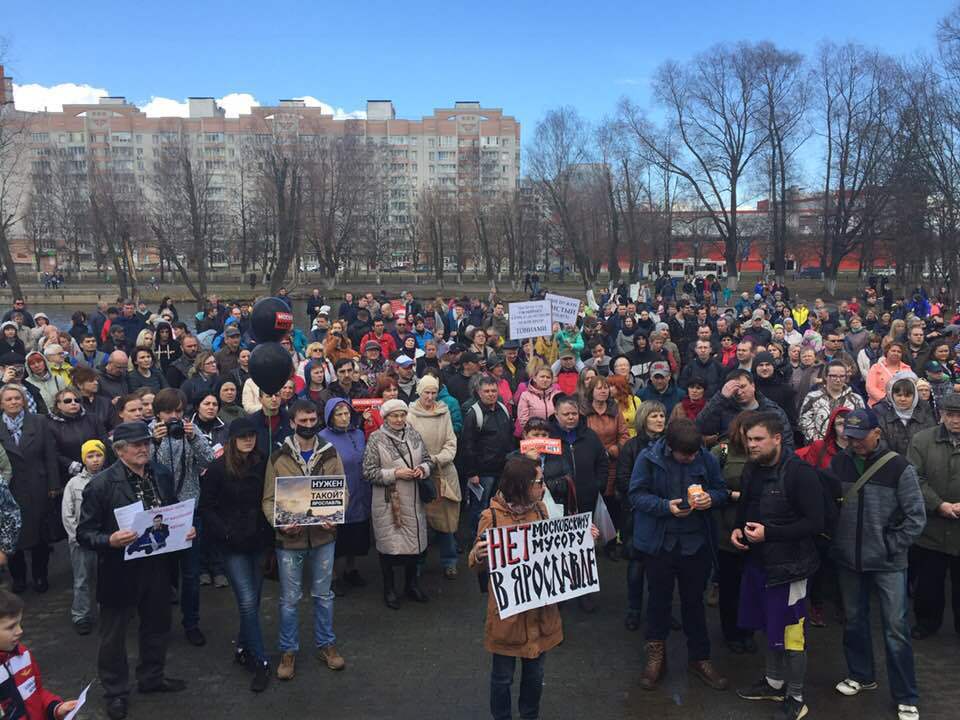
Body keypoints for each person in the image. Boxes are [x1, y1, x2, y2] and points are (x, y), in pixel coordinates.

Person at [76, 422, 192, 720]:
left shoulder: (161, 474)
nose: (143, 449)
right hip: (119, 569)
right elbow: (84, 534)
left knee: (157, 624)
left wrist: (184, 528)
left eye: (146, 443)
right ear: (119, 450)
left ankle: (152, 678)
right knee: (113, 635)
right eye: (136, 445)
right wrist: (109, 540)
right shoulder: (101, 485)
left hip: (157, 563)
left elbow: (171, 510)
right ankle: (115, 692)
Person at [470, 457, 599, 720]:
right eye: (539, 482)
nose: (544, 485)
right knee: (502, 678)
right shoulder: (490, 517)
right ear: (521, 485)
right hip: (508, 619)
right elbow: (475, 565)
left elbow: (558, 553)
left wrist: (583, 540)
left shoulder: (541, 509)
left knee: (535, 675)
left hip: (541, 615)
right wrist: (478, 554)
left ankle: (530, 715)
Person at [829, 408, 925, 720]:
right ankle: (860, 674)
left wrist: (888, 546)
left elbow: (915, 518)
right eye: (849, 437)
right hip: (848, 559)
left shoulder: (899, 467)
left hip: (888, 563)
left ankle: (906, 695)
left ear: (877, 433)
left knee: (895, 628)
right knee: (854, 621)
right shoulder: (839, 462)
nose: (853, 443)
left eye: (860, 437)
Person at [731, 413, 824, 720]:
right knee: (768, 627)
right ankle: (773, 682)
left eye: (758, 439)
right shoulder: (752, 468)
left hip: (791, 567)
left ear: (777, 438)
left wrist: (771, 534)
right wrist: (736, 527)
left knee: (791, 633)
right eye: (749, 439)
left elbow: (814, 523)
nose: (752, 445)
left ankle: (796, 697)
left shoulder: (800, 473)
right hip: (759, 562)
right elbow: (746, 503)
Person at [629, 418, 728, 691]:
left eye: (694, 453)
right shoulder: (648, 459)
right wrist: (664, 506)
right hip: (660, 543)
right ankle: (655, 656)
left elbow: (721, 490)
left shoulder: (705, 459)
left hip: (695, 544)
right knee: (658, 601)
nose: (690, 458)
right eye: (686, 454)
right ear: (670, 447)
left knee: (694, 602)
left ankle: (700, 657)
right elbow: (635, 495)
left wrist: (711, 499)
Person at [262, 399, 347, 680]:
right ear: (292, 423)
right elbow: (269, 500)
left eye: (313, 420)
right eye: (303, 421)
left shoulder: (330, 452)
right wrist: (281, 525)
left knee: (324, 595)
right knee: (289, 599)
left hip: (324, 537)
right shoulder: (277, 457)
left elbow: (342, 492)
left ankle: (326, 644)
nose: (309, 425)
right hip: (290, 541)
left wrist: (336, 514)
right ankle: (288, 650)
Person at [199, 417, 274, 693]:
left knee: (252, 601)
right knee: (245, 602)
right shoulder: (218, 469)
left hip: (257, 540)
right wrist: (226, 533)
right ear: (232, 439)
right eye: (243, 437)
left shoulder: (262, 461)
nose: (248, 440)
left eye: (251, 436)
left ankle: (243, 647)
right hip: (232, 545)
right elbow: (206, 507)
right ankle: (261, 660)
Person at [150, 388, 214, 647]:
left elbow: (209, 459)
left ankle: (192, 623)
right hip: (158, 513)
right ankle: (159, 623)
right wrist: (154, 443)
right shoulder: (149, 434)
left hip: (188, 511)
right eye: (168, 412)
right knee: (160, 576)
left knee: (190, 574)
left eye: (178, 411)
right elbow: (144, 468)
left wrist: (194, 438)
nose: (174, 416)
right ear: (157, 415)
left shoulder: (191, 430)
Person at [362, 399, 433, 609]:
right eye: (394, 415)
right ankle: (389, 589)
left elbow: (428, 459)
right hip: (388, 501)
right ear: (385, 418)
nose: (399, 419)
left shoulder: (413, 434)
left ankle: (411, 585)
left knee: (414, 545)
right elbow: (368, 472)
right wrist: (395, 473)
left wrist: (423, 469)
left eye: (402, 415)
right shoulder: (376, 439)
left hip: (413, 498)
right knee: (389, 547)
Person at [906, 393, 960, 640]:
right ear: (941, 415)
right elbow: (915, 478)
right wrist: (939, 505)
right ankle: (926, 623)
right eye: (951, 414)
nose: (956, 420)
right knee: (928, 584)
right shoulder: (922, 440)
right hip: (930, 528)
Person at [0, 384, 60, 594]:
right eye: (9, 399)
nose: (14, 402)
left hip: (38, 484)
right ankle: (19, 578)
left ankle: (40, 575)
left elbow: (50, 455)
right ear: (1, 403)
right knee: (12, 535)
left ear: (24, 401)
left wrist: (53, 484)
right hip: (10, 489)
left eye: (18, 398)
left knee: (40, 535)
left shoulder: (39, 422)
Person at [616, 401, 665, 631]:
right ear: (644, 418)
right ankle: (633, 609)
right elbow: (623, 479)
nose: (659, 420)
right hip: (638, 513)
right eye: (654, 415)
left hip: (663, 513)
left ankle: (660, 610)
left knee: (662, 568)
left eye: (662, 416)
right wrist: (646, 496)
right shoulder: (631, 447)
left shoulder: (670, 445)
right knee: (637, 565)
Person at [407, 375, 461, 579]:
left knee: (446, 522)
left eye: (433, 393)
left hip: (443, 472)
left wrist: (435, 460)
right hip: (419, 474)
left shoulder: (443, 411)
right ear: (419, 392)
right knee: (420, 522)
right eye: (426, 392)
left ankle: (450, 561)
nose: (430, 397)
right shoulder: (410, 414)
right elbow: (409, 444)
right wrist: (422, 465)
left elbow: (451, 442)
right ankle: (419, 563)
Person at [0, 589, 79, 720]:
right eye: (11, 627)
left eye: (19, 623)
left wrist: (55, 708)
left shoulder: (23, 654)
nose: (20, 631)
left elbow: (36, 693)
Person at [318, 399, 371, 591]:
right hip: (337, 492)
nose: (344, 417)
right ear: (330, 417)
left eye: (347, 413)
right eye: (339, 414)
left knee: (356, 534)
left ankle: (351, 569)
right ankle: (331, 575)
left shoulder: (358, 434)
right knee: (336, 537)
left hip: (360, 490)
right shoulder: (322, 437)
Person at [459, 375, 514, 542]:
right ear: (479, 392)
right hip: (482, 472)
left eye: (494, 391)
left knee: (501, 508)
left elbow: (509, 437)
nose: (491, 394)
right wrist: (472, 473)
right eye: (487, 391)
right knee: (479, 509)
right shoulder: (473, 414)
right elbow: (467, 445)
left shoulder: (503, 409)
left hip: (502, 469)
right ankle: (477, 542)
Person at [60, 439, 106, 635]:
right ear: (83, 459)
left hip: (104, 540)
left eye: (98, 455)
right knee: (82, 580)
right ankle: (81, 615)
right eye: (90, 456)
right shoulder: (74, 483)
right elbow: (67, 513)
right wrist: (76, 537)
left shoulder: (110, 479)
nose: (95, 460)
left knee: (106, 578)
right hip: (81, 542)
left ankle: (108, 612)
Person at [697, 370, 794, 451]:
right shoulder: (723, 407)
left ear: (753, 386)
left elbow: (786, 443)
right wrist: (721, 397)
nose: (739, 392)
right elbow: (701, 427)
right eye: (735, 389)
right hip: (730, 462)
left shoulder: (771, 410)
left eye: (743, 386)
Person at [47, 386, 108, 487]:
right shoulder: (50, 424)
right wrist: (69, 464)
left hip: (98, 470)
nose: (73, 403)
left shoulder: (92, 419)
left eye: (77, 400)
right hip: (68, 475)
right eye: (67, 401)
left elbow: (104, 441)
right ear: (58, 405)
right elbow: (52, 451)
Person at [798, 360, 865, 443]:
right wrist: (818, 440)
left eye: (842, 376)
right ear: (826, 376)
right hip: (820, 447)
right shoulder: (812, 397)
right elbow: (804, 422)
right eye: (834, 376)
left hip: (848, 446)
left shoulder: (856, 399)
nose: (838, 380)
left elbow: (861, 422)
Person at [874, 372, 937, 456]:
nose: (902, 399)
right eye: (899, 395)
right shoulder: (883, 415)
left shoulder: (925, 412)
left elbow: (931, 438)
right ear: (892, 396)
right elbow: (881, 444)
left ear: (914, 397)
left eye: (907, 396)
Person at [866, 340, 912, 407]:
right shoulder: (876, 367)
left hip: (900, 406)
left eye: (899, 352)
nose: (896, 353)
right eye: (893, 351)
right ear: (887, 352)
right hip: (877, 405)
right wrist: (886, 399)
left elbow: (910, 388)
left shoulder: (907, 369)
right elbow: (870, 387)